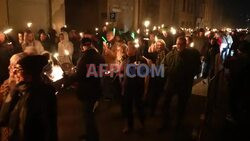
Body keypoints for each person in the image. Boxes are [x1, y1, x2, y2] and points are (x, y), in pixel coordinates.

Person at [0, 55, 57, 141]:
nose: (15, 73)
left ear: (29, 73)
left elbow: (48, 124)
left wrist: (15, 89)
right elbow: (3, 118)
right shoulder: (20, 90)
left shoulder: (38, 92)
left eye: (19, 69)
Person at [65, 37, 105, 141]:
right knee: (89, 115)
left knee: (88, 116)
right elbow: (101, 71)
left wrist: (67, 80)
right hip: (96, 88)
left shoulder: (85, 58)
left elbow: (79, 75)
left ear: (83, 46)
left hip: (87, 91)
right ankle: (89, 134)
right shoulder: (99, 57)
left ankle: (93, 137)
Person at [160, 36, 201, 131]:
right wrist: (171, 71)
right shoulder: (170, 55)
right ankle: (165, 123)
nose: (179, 46)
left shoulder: (192, 54)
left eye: (181, 44)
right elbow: (162, 66)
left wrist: (187, 74)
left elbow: (197, 68)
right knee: (165, 104)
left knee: (181, 106)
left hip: (184, 85)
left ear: (185, 44)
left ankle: (178, 124)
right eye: (178, 44)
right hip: (171, 83)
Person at [121, 40, 147, 133]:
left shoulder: (141, 60)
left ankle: (142, 124)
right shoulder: (126, 59)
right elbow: (123, 73)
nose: (127, 50)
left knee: (139, 106)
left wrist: (145, 89)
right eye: (127, 48)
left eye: (129, 48)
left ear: (135, 49)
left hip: (138, 87)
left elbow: (145, 75)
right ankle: (129, 125)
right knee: (128, 107)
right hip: (128, 87)